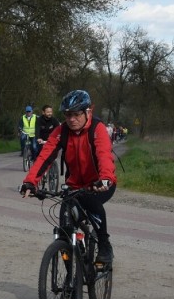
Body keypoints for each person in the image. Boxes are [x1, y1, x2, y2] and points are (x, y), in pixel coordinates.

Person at [20, 90, 117, 264]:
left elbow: (104, 155)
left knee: (92, 203)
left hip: (100, 183)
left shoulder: (97, 128)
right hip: (74, 186)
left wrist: (105, 178)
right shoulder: (61, 131)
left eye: (76, 114)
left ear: (88, 111)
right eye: (67, 115)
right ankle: (71, 277)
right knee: (65, 224)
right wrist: (30, 182)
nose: (71, 119)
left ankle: (104, 245)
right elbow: (45, 157)